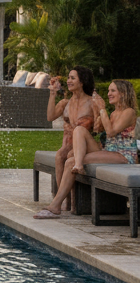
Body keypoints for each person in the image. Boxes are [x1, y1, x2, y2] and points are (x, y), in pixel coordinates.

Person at [37, 78, 138, 219]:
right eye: (108, 90)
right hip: (108, 150)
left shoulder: (129, 112)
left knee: (70, 162)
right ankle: (74, 177)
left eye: (112, 90)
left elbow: (111, 132)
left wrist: (102, 108)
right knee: (78, 131)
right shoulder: (114, 113)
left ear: (122, 93)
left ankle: (55, 206)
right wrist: (98, 116)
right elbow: (102, 132)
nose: (109, 93)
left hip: (123, 155)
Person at [36, 67, 95, 218]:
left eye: (73, 78)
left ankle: (67, 202)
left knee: (66, 154)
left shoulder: (92, 102)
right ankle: (63, 202)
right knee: (61, 154)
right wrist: (52, 93)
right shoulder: (65, 103)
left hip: (84, 146)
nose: (69, 81)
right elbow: (50, 117)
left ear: (82, 82)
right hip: (67, 144)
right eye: (68, 77)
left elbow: (99, 128)